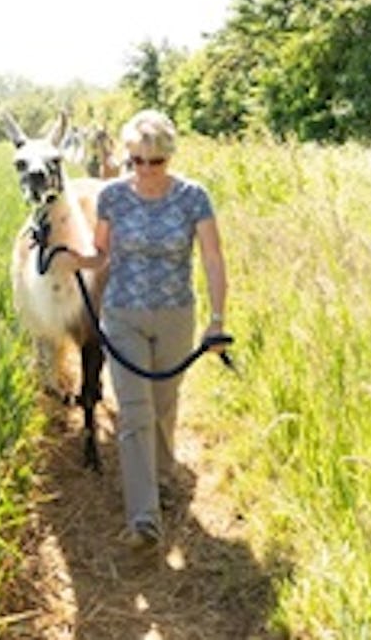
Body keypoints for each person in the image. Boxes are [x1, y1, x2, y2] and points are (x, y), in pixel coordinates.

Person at [76, 109, 228, 548]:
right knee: (135, 412)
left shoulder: (193, 198)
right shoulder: (113, 198)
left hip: (175, 314)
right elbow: (100, 254)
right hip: (122, 314)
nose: (144, 170)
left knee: (163, 404)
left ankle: (162, 477)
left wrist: (218, 321)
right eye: (136, 161)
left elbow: (213, 259)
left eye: (154, 161)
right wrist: (71, 259)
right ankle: (143, 518)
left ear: (169, 157)